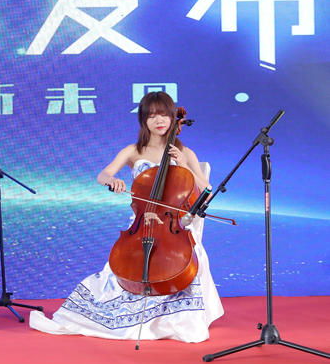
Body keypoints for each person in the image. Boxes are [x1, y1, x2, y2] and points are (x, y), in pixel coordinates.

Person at [29, 92, 223, 342]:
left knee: (182, 257)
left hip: (175, 226)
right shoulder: (133, 151)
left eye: (164, 115)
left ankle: (173, 318)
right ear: (143, 120)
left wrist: (184, 165)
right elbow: (103, 175)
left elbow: (207, 191)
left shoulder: (185, 152)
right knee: (125, 264)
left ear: (172, 118)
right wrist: (112, 180)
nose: (159, 120)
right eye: (151, 116)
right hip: (142, 224)